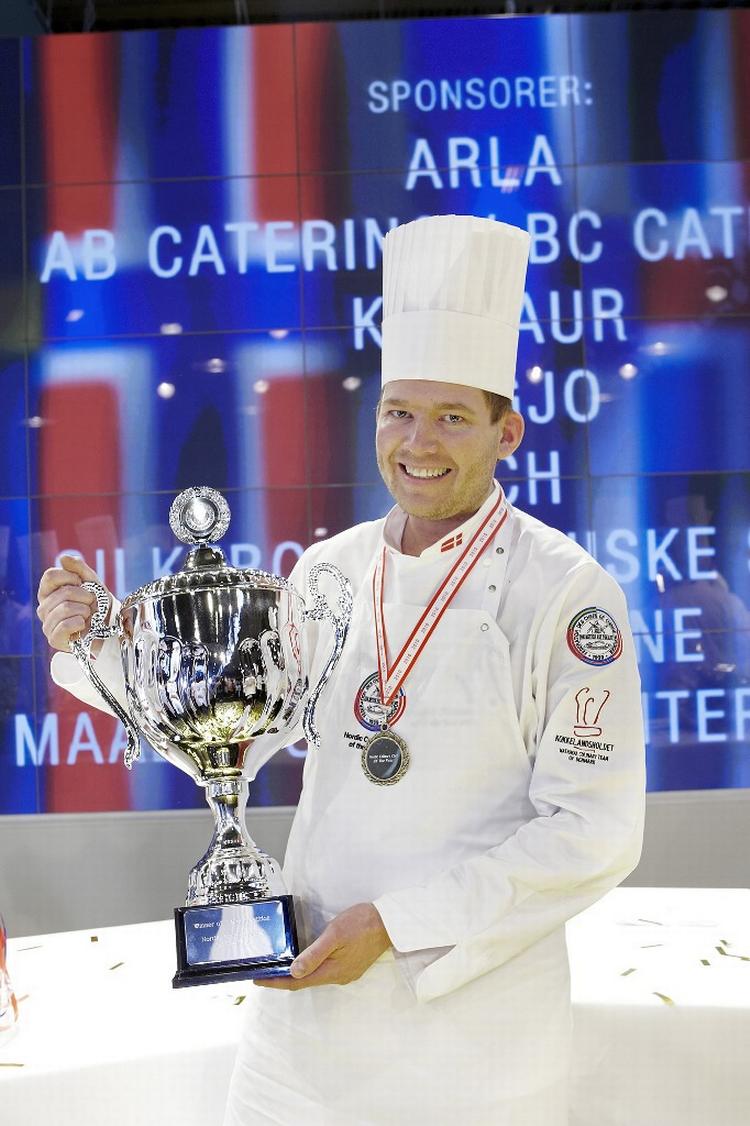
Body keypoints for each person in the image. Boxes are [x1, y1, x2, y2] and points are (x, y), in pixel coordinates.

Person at [37, 214, 646, 1125]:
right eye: (399, 410)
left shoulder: (567, 594)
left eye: (451, 417)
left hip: (478, 1045)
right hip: (306, 1025)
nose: (419, 442)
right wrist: (93, 646)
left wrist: (396, 925)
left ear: (507, 430)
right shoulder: (330, 569)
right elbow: (234, 722)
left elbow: (591, 833)